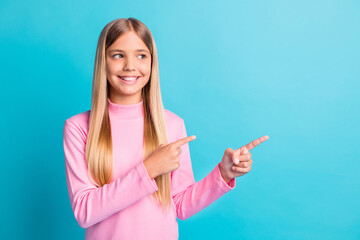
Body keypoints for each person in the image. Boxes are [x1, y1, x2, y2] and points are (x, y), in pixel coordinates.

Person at [62, 17, 269, 240]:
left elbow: (180, 205)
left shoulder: (171, 124)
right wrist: (148, 169)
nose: (130, 65)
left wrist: (223, 174)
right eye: (118, 55)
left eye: (141, 56)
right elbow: (84, 212)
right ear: (103, 61)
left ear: (152, 63)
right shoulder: (79, 128)